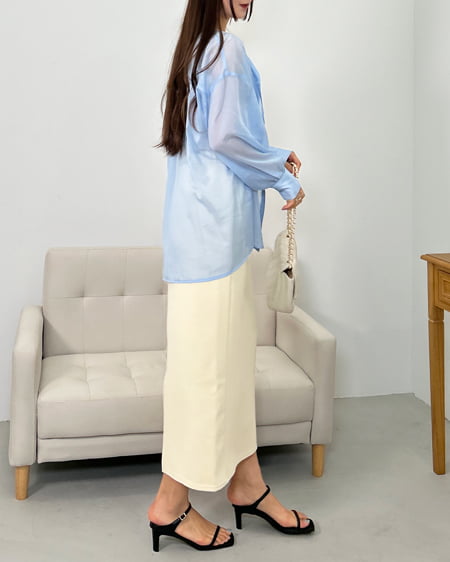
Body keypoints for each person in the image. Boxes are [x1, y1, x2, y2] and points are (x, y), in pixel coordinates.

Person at [147, 0, 312, 552]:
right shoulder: (227, 50)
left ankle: (247, 484)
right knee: (206, 377)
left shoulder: (194, 52)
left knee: (227, 371)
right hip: (216, 245)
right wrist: (283, 179)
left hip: (198, 242)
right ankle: (169, 505)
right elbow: (228, 140)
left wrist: (274, 156)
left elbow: (214, 140)